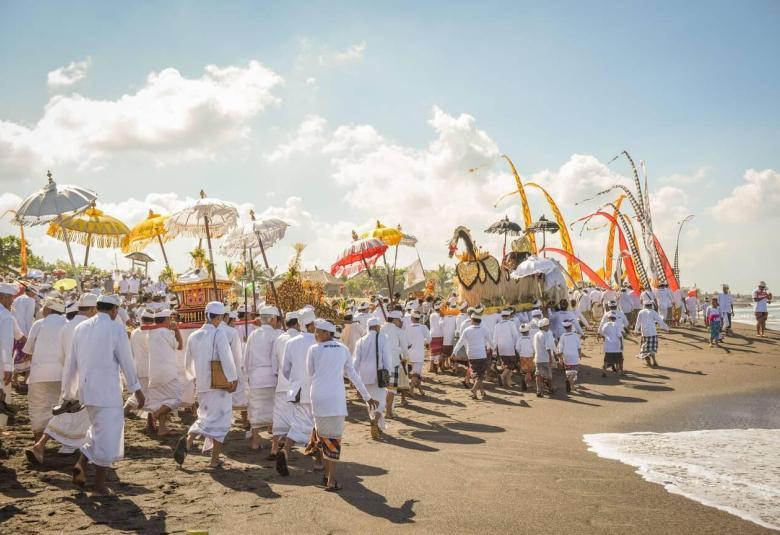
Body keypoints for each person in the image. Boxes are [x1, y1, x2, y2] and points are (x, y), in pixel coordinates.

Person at [61, 294, 145, 496]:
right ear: (115, 310)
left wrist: (68, 394)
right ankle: (98, 486)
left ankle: (81, 463)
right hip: (107, 391)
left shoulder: (80, 328)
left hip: (86, 391)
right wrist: (137, 390)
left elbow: (70, 365)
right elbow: (126, 361)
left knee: (97, 430)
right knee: (109, 437)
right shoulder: (116, 328)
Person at [305, 319, 377, 491]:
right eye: (316, 331)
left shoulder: (313, 349)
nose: (315, 334)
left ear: (328, 333)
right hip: (335, 398)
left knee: (324, 437)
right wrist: (367, 397)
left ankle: (325, 473)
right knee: (333, 439)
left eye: (319, 331)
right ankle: (330, 479)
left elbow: (310, 373)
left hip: (318, 397)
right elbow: (353, 375)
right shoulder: (342, 349)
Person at [25, 294, 97, 464]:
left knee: (64, 413)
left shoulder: (67, 327)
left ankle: (55, 446)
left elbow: (62, 357)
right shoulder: (90, 326)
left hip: (67, 376)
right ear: (94, 310)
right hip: (85, 378)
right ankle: (46, 446)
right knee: (79, 415)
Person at [175, 301, 238, 469]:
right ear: (218, 317)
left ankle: (188, 442)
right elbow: (226, 358)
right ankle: (214, 459)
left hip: (202, 384)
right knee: (221, 420)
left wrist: (195, 378)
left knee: (204, 417)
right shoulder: (219, 334)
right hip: (218, 385)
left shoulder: (194, 336)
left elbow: (188, 363)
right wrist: (233, 378)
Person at [278, 308, 317, 476]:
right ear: (313, 324)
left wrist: (295, 380)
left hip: (297, 389)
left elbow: (285, 369)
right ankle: (320, 460)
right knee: (317, 425)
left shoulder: (291, 342)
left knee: (299, 423)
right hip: (315, 390)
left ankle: (286, 450)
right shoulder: (318, 341)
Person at [22, 297, 67, 440]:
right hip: (62, 374)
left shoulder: (39, 324)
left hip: (39, 374)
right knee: (60, 407)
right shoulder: (68, 324)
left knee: (38, 407)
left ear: (47, 309)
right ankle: (61, 440)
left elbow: (27, 351)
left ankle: (38, 441)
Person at [244, 305, 281, 450]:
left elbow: (246, 357)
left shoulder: (253, 334)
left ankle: (255, 441)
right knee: (275, 410)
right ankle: (275, 444)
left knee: (256, 409)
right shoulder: (277, 335)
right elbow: (277, 358)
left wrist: (247, 374)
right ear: (272, 319)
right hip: (272, 376)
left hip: (256, 377)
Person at [353, 317, 392, 439]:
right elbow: (387, 358)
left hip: (363, 376)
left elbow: (355, 361)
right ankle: (375, 420)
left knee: (370, 402)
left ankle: (378, 426)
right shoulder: (383, 338)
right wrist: (388, 373)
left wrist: (354, 378)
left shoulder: (360, 340)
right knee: (381, 401)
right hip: (378, 374)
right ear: (377, 327)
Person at [146, 309, 183, 436]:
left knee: (163, 401)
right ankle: (155, 415)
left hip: (154, 373)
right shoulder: (165, 332)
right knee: (176, 399)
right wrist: (176, 329)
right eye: (170, 319)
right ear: (166, 319)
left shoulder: (151, 332)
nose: (171, 321)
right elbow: (180, 346)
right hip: (168, 373)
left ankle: (162, 429)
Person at [269, 311, 300, 459]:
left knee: (279, 415)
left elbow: (274, 363)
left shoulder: (279, 338)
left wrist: (278, 374)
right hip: (297, 385)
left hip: (282, 382)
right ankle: (289, 445)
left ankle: (275, 447)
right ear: (298, 323)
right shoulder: (301, 339)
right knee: (298, 416)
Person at [452, 314, 492, 400]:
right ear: (480, 321)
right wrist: (494, 350)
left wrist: (454, 352)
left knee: (477, 374)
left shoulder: (467, 330)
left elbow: (460, 342)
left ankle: (481, 392)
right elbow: (490, 340)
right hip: (481, 354)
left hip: (471, 355)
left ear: (472, 320)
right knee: (480, 375)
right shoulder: (484, 329)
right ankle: (474, 389)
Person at [124, 309, 153, 425]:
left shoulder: (135, 332)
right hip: (149, 368)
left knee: (145, 393)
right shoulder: (150, 332)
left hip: (138, 367)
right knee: (149, 395)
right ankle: (125, 410)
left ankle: (151, 420)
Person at [0, 283, 19, 455]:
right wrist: (8, 367)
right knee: (2, 397)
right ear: (3, 297)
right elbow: (6, 343)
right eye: (10, 297)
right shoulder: (5, 316)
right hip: (1, 362)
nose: (12, 300)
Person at [381, 310, 411, 414]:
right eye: (399, 320)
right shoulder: (399, 331)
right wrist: (406, 358)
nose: (400, 323)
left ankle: (385, 409)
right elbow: (404, 348)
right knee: (391, 389)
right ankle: (389, 412)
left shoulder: (380, 328)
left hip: (382, 364)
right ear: (394, 320)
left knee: (384, 388)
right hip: (393, 363)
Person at [634, 295, 669, 367]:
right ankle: (654, 361)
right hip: (653, 333)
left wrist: (636, 331)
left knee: (645, 349)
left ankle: (649, 363)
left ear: (644, 305)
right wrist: (666, 328)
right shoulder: (653, 312)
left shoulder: (641, 312)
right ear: (651, 305)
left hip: (645, 333)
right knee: (652, 349)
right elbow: (660, 321)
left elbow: (638, 322)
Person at [405, 311, 430, 397]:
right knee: (416, 373)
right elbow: (429, 340)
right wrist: (423, 341)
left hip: (409, 353)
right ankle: (411, 390)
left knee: (417, 373)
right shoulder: (423, 327)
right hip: (419, 353)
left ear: (412, 318)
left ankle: (420, 389)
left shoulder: (407, 327)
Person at [493, 309, 519, 388]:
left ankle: (509, 382)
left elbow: (495, 338)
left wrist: (494, 349)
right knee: (512, 365)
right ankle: (502, 376)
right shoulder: (511, 324)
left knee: (506, 364)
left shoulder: (497, 325)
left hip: (501, 348)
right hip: (509, 347)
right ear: (509, 316)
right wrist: (517, 346)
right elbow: (515, 336)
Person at [532, 318, 556, 398]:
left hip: (538, 358)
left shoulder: (536, 335)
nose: (548, 327)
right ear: (543, 327)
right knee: (549, 375)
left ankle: (539, 391)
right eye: (547, 325)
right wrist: (550, 358)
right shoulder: (546, 334)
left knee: (538, 375)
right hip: (545, 358)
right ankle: (550, 388)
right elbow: (548, 348)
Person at [557, 320, 582, 391]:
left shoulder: (562, 336)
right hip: (574, 355)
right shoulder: (575, 335)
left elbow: (560, 348)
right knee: (574, 371)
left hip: (566, 356)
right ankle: (571, 383)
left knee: (568, 371)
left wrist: (560, 358)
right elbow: (579, 347)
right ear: (571, 327)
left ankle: (572, 385)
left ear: (564, 327)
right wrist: (580, 354)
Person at [599, 313, 625, 377]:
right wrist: (621, 344)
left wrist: (605, 339)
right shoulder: (617, 325)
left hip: (608, 345)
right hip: (616, 345)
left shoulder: (605, 325)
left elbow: (602, 334)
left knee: (607, 359)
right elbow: (619, 335)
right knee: (618, 359)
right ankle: (619, 372)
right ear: (615, 318)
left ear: (609, 318)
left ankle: (604, 372)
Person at [515, 323, 535, 392]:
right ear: (528, 331)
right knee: (529, 371)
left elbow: (517, 349)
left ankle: (527, 383)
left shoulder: (519, 339)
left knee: (525, 371)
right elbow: (534, 348)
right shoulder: (531, 338)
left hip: (522, 357)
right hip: (530, 356)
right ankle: (527, 383)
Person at [428, 302, 444, 373]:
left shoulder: (431, 315)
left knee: (433, 351)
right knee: (439, 352)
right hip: (440, 334)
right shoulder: (442, 315)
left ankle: (431, 367)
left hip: (432, 334)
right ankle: (438, 367)